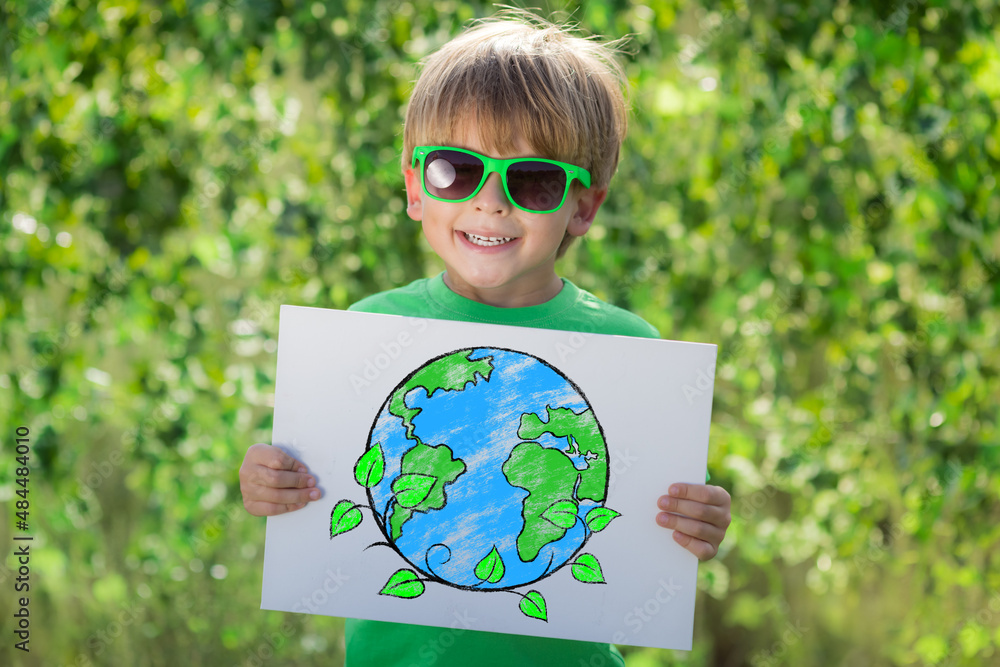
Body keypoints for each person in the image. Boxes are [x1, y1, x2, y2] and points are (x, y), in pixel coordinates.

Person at [239, 11, 732, 666]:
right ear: (416, 188)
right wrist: (266, 484)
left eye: (532, 180)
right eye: (455, 170)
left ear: (583, 206)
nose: (491, 201)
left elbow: (663, 521)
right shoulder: (368, 332)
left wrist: (701, 522)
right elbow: (312, 490)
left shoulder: (630, 348)